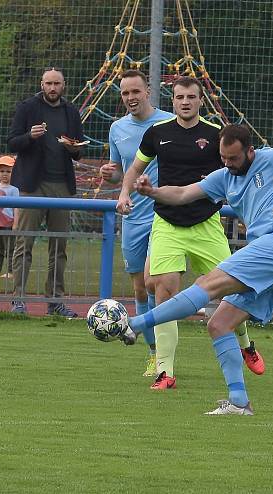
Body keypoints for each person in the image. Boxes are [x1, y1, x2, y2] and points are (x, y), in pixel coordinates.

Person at [124, 124, 273, 414]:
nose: (227, 163)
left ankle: (136, 324)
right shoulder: (224, 177)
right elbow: (184, 193)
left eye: (233, 158)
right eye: (223, 157)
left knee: (207, 283)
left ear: (250, 151)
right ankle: (239, 402)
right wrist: (153, 192)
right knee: (219, 324)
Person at [117, 77, 264, 390]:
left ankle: (246, 344)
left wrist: (246, 216)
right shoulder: (157, 133)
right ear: (173, 100)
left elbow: (237, 177)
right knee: (165, 292)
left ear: (201, 100)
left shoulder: (215, 135)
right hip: (167, 224)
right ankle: (165, 372)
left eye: (191, 97)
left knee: (232, 290)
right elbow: (134, 168)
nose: (185, 102)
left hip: (206, 223)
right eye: (180, 97)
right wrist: (125, 193)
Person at [101, 69, 173, 376]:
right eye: (125, 93)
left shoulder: (169, 123)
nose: (130, 98)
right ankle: (154, 352)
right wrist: (111, 175)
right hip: (132, 217)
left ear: (148, 92)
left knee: (153, 283)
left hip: (164, 215)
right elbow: (120, 171)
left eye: (135, 91)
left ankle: (163, 358)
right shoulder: (117, 128)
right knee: (139, 289)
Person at [7, 67, 84, 317]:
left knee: (59, 246)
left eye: (57, 84)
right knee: (24, 242)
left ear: (64, 85)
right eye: (48, 83)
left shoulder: (71, 112)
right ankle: (18, 299)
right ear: (42, 84)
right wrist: (29, 135)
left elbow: (79, 150)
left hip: (62, 185)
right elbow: (12, 141)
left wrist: (72, 147)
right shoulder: (28, 107)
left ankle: (55, 301)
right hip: (32, 185)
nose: (52, 88)